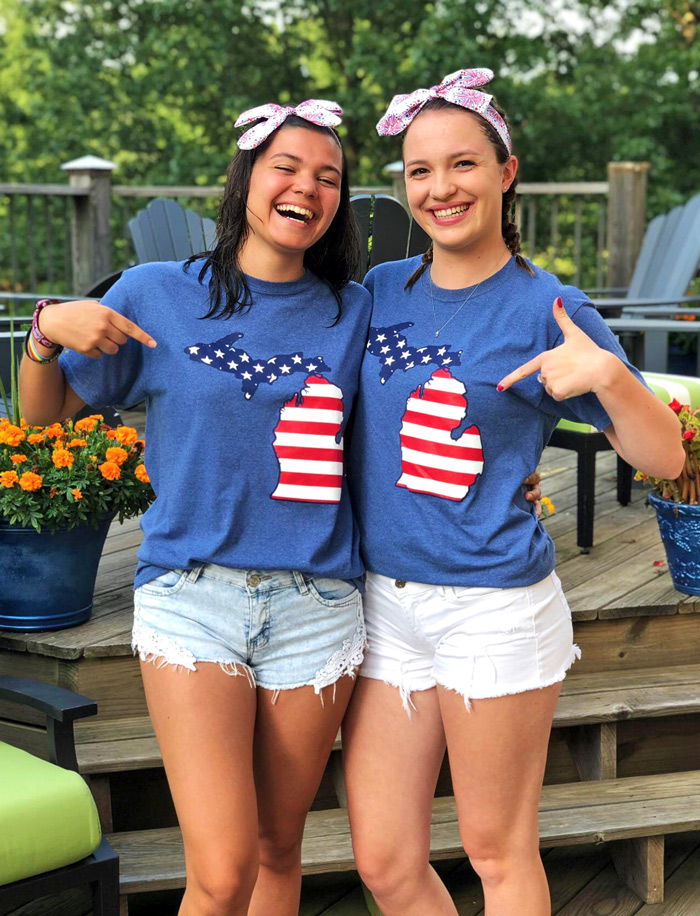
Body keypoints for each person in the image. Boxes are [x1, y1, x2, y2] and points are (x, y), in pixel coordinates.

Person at [343, 69, 684, 916]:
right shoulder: (379, 292)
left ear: (506, 171)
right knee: (384, 862)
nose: (441, 188)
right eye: (420, 170)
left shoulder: (550, 307)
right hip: (384, 605)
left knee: (497, 852)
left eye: (462, 164)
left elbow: (665, 455)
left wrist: (609, 376)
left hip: (491, 606)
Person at [19, 100, 371, 916]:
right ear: (246, 178)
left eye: (328, 177)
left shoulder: (354, 311)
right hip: (191, 596)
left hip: (318, 604)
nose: (307, 188)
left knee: (279, 848)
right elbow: (42, 419)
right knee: (220, 872)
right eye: (287, 167)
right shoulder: (159, 294)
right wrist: (45, 330)